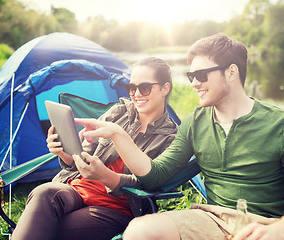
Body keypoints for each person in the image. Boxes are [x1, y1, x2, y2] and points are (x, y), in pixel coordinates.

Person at [74, 33, 284, 240]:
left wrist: (280, 230)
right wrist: (119, 134)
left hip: (269, 224)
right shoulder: (195, 122)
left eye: (201, 75)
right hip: (212, 218)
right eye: (191, 76)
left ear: (231, 72)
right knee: (140, 231)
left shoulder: (281, 122)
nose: (194, 83)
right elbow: (155, 175)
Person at [11, 57, 178, 240]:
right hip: (76, 188)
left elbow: (151, 184)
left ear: (165, 88)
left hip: (115, 207)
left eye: (144, 87)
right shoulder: (118, 112)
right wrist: (65, 153)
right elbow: (82, 157)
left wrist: (105, 176)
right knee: (43, 193)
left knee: (52, 225)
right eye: (132, 87)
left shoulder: (170, 138)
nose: (136, 94)